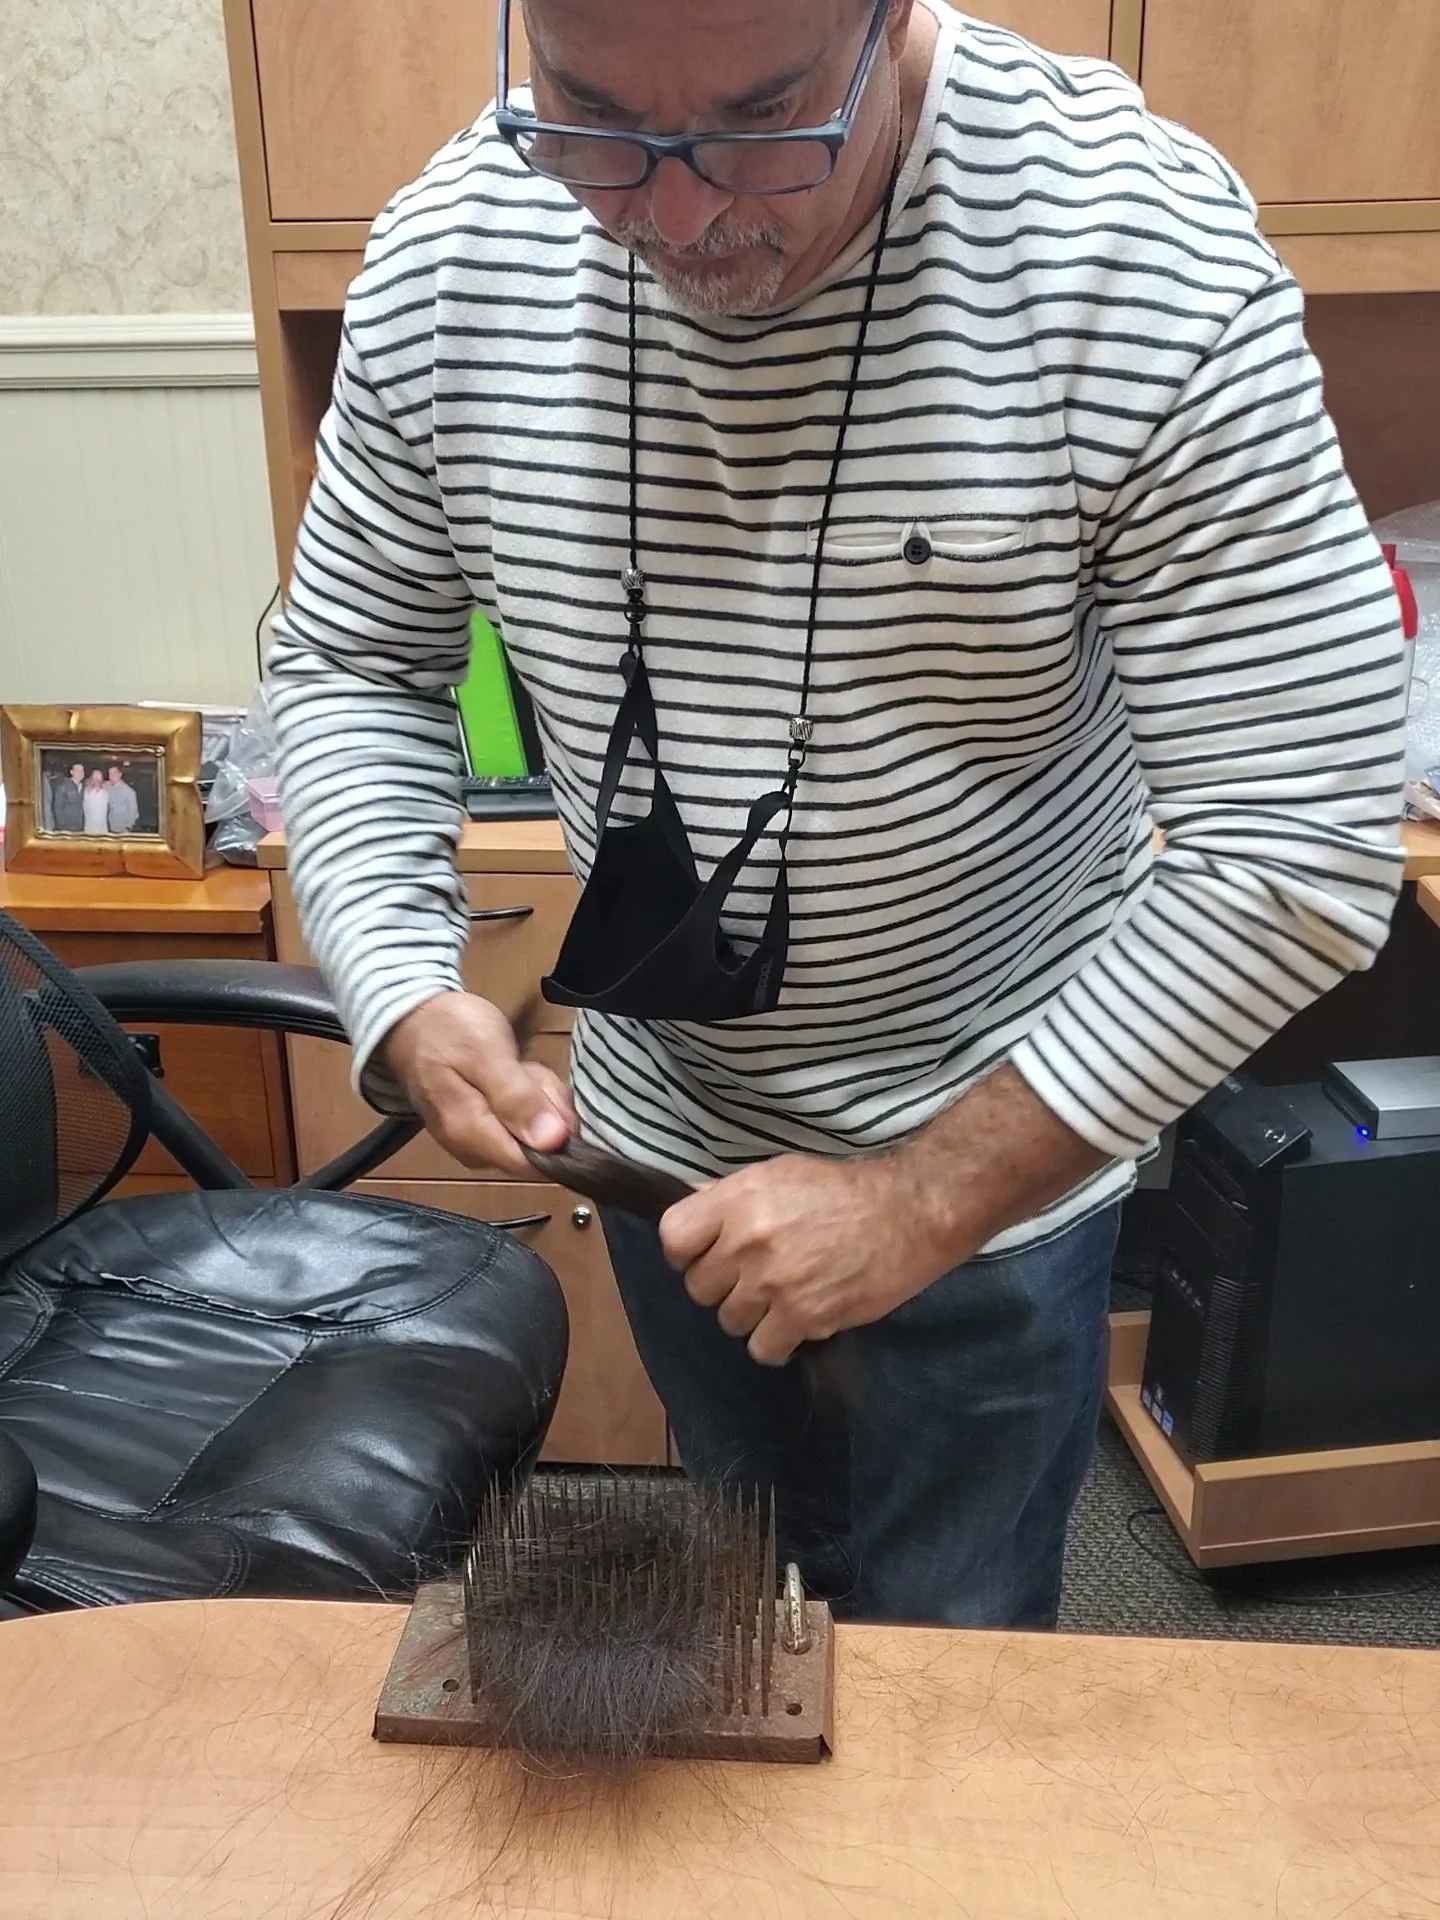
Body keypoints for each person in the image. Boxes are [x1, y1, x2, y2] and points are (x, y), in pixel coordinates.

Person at [268, 0, 1407, 1628]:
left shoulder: (1127, 250)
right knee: (751, 1608)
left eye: (761, 122)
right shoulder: (453, 254)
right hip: (659, 1150)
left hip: (997, 1154)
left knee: (958, 1647)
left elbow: (1301, 830)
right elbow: (354, 662)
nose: (674, 216)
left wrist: (923, 1199)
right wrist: (397, 973)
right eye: (594, 118)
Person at [49, 763, 86, 834]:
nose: (80, 773)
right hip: (67, 828)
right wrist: (62, 827)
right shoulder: (63, 786)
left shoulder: (84, 787)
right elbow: (57, 808)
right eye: (77, 770)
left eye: (82, 770)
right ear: (71, 772)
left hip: (79, 827)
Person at [105, 765, 141, 835]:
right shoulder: (107, 786)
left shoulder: (129, 791)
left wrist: (128, 828)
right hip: (111, 828)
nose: (112, 776)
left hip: (124, 829)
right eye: (110, 774)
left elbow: (133, 812)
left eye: (114, 773)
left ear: (120, 774)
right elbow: (96, 783)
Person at [80, 769, 110, 838]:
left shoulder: (106, 792)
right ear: (91, 779)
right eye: (95, 777)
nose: (97, 780)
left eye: (99, 777)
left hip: (103, 830)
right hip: (89, 829)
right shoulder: (85, 792)